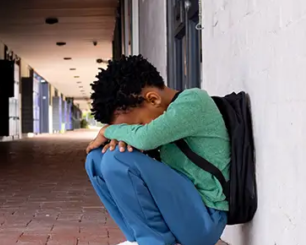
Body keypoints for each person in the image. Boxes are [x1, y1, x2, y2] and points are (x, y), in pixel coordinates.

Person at [84, 55, 230, 245]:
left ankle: (153, 241)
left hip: (205, 219)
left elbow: (145, 138)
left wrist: (109, 130)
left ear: (153, 99)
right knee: (96, 159)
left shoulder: (193, 101)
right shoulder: (162, 115)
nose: (133, 132)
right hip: (178, 212)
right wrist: (121, 137)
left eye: (137, 125)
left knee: (117, 159)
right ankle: (140, 239)